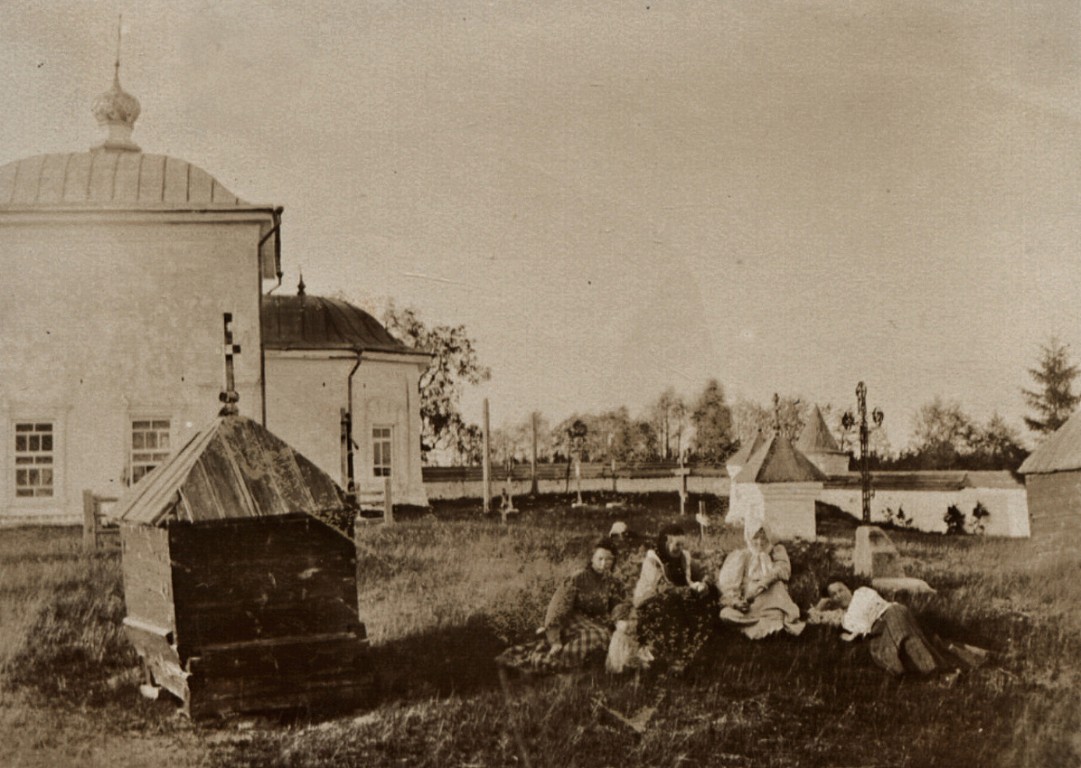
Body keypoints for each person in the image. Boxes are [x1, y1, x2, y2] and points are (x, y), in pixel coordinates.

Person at [497, 538, 629, 674]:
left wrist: (620, 622)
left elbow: (618, 606)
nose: (603, 564)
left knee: (611, 638)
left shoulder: (614, 582)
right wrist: (555, 639)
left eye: (608, 560)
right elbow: (558, 607)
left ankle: (588, 666)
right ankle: (555, 661)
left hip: (597, 622)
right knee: (597, 637)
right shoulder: (578, 578)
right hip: (572, 621)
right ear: (592, 558)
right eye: (600, 559)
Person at [809, 582, 989, 677]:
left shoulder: (861, 593)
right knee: (902, 647)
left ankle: (941, 673)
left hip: (891, 613)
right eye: (834, 594)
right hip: (879, 629)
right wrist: (824, 602)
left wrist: (852, 635)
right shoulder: (846, 619)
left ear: (848, 588)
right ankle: (963, 663)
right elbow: (816, 616)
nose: (839, 594)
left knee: (905, 639)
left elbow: (875, 611)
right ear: (831, 600)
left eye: (841, 589)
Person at [624, 523, 715, 673]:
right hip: (650, 603)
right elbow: (662, 589)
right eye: (677, 544)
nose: (680, 548)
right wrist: (690, 590)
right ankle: (674, 657)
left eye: (682, 544)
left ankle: (697, 651)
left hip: (679, 597)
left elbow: (701, 571)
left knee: (710, 595)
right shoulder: (653, 561)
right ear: (666, 542)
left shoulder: (683, 557)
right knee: (672, 605)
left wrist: (704, 583)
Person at [717, 520, 805, 639]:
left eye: (764, 538)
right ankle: (758, 625)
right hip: (751, 606)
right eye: (756, 538)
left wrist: (762, 584)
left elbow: (783, 570)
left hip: (773, 602)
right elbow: (729, 586)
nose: (760, 542)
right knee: (726, 614)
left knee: (778, 613)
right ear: (749, 537)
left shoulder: (776, 552)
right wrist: (737, 602)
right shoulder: (742, 556)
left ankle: (772, 626)